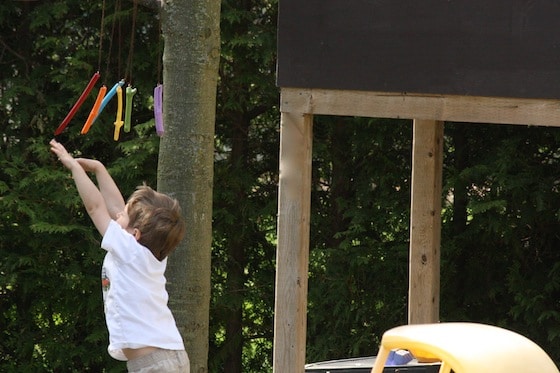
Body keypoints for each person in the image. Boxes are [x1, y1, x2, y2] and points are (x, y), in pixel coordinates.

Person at [49, 139, 189, 373]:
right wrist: (99, 169)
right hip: (169, 357)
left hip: (154, 365)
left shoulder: (130, 251)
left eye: (123, 215)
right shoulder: (148, 254)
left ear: (134, 234)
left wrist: (74, 168)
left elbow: (96, 208)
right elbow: (115, 207)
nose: (117, 214)